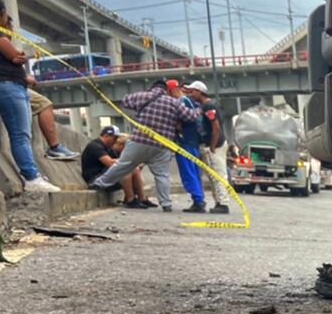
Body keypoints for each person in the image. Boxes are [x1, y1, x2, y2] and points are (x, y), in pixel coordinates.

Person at [0, 0, 60, 192]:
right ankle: (31, 178)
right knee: (20, 135)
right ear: (2, 13)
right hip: (6, 86)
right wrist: (20, 56)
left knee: (22, 134)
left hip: (12, 85)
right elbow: (14, 56)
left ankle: (32, 174)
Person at [89, 79, 200, 212]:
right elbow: (191, 116)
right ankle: (166, 204)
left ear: (152, 88)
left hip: (139, 141)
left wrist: (139, 107)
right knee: (162, 175)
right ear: (166, 90)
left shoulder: (143, 96)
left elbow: (125, 101)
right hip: (162, 145)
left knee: (122, 165)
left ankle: (99, 184)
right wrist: (198, 109)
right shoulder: (174, 102)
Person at [0, 53, 78, 161]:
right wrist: (24, 77)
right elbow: (6, 69)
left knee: (22, 134)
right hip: (3, 85)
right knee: (42, 106)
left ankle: (33, 171)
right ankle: (53, 149)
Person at [183, 81, 229, 214]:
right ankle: (218, 202)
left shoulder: (208, 106)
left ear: (199, 91)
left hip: (215, 145)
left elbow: (216, 127)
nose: (190, 95)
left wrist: (212, 146)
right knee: (213, 175)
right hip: (214, 144)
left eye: (192, 92)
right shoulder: (207, 105)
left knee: (218, 175)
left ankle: (223, 203)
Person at [80, 126, 152, 209]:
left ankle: (142, 198)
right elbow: (110, 162)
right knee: (124, 168)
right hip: (95, 180)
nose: (115, 141)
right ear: (106, 136)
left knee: (135, 169)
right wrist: (129, 162)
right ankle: (130, 200)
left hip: (106, 177)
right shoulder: (95, 146)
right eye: (114, 138)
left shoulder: (109, 148)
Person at [175, 86, 206, 213]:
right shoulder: (194, 103)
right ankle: (199, 199)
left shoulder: (181, 102)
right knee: (195, 172)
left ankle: (197, 201)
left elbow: (181, 120)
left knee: (188, 173)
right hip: (194, 142)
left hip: (185, 142)